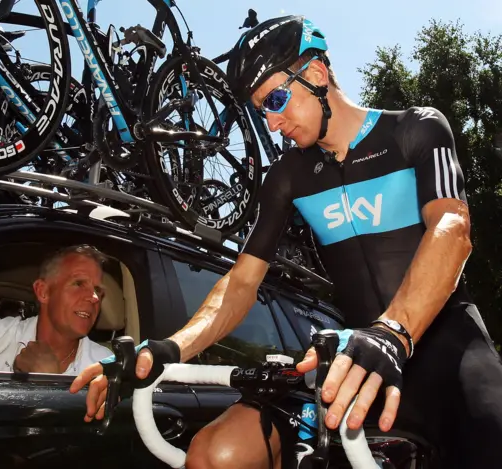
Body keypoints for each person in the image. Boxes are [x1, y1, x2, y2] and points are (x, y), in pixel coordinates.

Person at [70, 15, 502, 469]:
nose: (273, 122)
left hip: (449, 344)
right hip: (355, 355)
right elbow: (241, 283)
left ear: (316, 74)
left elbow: (452, 228)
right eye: (262, 110)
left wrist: (393, 331)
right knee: (219, 454)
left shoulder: (416, 129)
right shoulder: (288, 177)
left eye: (277, 99)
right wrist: (167, 349)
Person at [0, 244, 112, 375]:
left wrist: (49, 380)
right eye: (78, 284)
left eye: (98, 290)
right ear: (43, 291)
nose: (94, 298)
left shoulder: (107, 367)